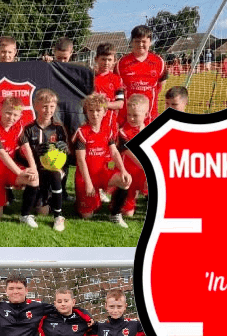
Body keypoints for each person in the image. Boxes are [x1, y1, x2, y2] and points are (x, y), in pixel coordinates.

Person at [72, 94, 132, 227]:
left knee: (125, 180)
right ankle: (81, 201)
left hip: (102, 173)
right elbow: (81, 160)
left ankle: (115, 213)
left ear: (105, 112)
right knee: (87, 216)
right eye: (91, 111)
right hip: (85, 176)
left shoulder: (107, 130)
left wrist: (123, 170)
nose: (95, 114)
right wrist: (88, 183)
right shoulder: (82, 132)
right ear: (86, 112)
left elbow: (114, 152)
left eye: (98, 110)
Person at [0, 97, 39, 223]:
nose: (11, 118)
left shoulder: (18, 126)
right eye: (8, 113)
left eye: (15, 115)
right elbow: (2, 154)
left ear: (21, 115)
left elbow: (26, 148)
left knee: (34, 178)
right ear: (0, 110)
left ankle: (25, 215)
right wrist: (19, 172)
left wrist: (33, 168)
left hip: (9, 170)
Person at [18, 88, 68, 231]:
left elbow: (67, 156)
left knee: (55, 173)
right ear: (36, 106)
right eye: (45, 106)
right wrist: (35, 151)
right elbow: (21, 155)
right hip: (37, 171)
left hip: (54, 170)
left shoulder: (58, 128)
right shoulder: (28, 129)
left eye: (52, 106)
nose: (48, 110)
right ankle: (47, 197)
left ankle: (59, 216)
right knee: (42, 211)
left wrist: (63, 147)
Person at [116, 25, 168, 121]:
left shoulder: (159, 62)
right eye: (137, 41)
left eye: (144, 41)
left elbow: (161, 85)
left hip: (150, 117)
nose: (140, 44)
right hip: (127, 118)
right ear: (131, 42)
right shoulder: (121, 63)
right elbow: (116, 89)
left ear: (150, 42)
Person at [116, 94, 150, 218]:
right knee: (127, 214)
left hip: (143, 174)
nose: (131, 118)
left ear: (146, 115)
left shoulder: (150, 130)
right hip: (129, 174)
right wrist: (148, 168)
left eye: (135, 115)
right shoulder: (123, 132)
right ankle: (124, 200)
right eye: (129, 114)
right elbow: (127, 152)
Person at [92, 43, 126, 129]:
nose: (106, 63)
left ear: (114, 60)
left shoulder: (117, 79)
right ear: (96, 59)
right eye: (103, 59)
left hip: (110, 124)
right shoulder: (89, 77)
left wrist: (103, 105)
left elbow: (120, 104)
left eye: (109, 60)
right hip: (92, 122)